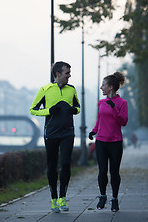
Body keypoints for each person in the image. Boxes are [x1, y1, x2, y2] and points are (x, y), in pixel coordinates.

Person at [30, 61, 80, 213]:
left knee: (65, 163)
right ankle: (53, 198)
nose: (69, 76)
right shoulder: (45, 90)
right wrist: (49, 111)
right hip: (51, 133)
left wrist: (74, 110)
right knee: (52, 165)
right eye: (67, 73)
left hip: (68, 132)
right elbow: (33, 110)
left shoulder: (71, 89)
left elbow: (78, 107)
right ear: (58, 74)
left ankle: (62, 197)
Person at [88, 71, 128, 212]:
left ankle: (115, 200)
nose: (101, 88)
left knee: (114, 172)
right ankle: (102, 196)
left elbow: (123, 122)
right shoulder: (101, 102)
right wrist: (94, 130)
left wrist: (114, 108)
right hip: (101, 141)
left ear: (111, 87)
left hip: (115, 142)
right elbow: (99, 119)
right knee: (102, 170)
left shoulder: (122, 103)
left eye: (103, 85)